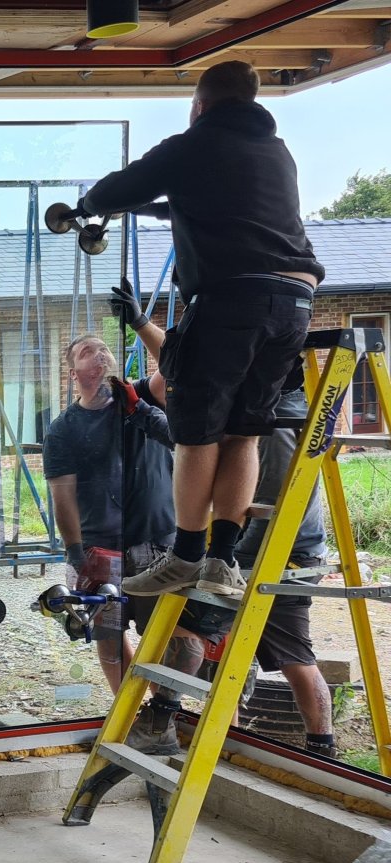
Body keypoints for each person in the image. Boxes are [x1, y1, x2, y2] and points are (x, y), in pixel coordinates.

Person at [73, 60, 325, 602]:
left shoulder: (194, 142)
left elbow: (118, 188)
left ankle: (185, 556)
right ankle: (221, 560)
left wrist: (88, 206)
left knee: (196, 431)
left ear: (201, 104)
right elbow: (215, 205)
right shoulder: (274, 152)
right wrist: (161, 211)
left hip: (232, 297)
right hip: (295, 302)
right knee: (245, 430)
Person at [116, 290, 336, 757]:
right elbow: (187, 424)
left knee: (190, 629)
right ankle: (323, 747)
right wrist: (141, 408)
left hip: (263, 550)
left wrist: (143, 390)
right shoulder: (299, 413)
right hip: (297, 550)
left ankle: (160, 719)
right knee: (296, 653)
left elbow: (192, 427)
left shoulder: (257, 417)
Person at [42, 334, 174, 693]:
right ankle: (129, 716)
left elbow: (174, 362)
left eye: (105, 349)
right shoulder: (64, 428)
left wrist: (141, 324)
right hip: (101, 551)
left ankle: (163, 715)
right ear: (73, 374)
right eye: (88, 352)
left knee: (163, 639)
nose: (100, 354)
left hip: (155, 545)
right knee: (109, 642)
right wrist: (75, 554)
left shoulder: (143, 398)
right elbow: (63, 496)